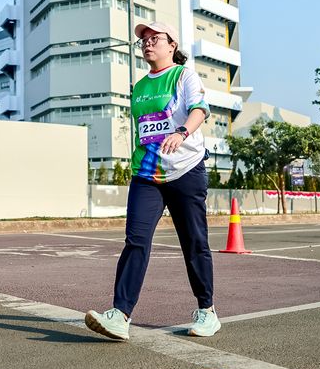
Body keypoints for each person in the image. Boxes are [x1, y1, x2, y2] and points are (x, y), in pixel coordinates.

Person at [85, 21, 220, 341]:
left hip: (186, 170)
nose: (147, 43)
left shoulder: (184, 76)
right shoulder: (141, 86)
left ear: (172, 44)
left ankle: (207, 310)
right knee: (136, 240)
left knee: (194, 242)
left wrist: (182, 132)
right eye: (143, 40)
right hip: (146, 174)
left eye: (154, 38)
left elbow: (200, 110)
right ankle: (120, 315)